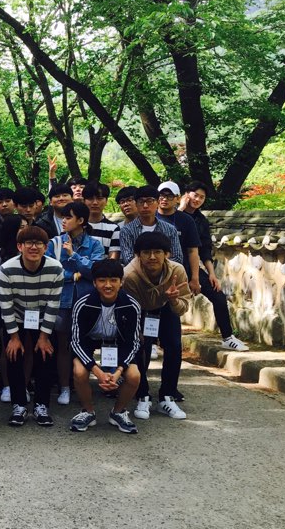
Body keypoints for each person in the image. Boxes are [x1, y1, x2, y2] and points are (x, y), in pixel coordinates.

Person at [0, 225, 64, 428]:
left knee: (45, 355)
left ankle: (41, 405)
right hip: (16, 316)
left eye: (39, 243)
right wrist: (14, 337)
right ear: (20, 246)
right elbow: (6, 305)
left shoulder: (56, 269)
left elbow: (53, 305)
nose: (34, 247)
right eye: (29, 243)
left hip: (42, 316)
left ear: (46, 247)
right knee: (13, 355)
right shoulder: (7, 269)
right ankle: (18, 405)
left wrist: (44, 337)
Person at [123, 232, 193, 420]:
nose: (152, 257)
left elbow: (183, 307)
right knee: (140, 348)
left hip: (167, 307)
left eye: (158, 252)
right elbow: (130, 308)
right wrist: (137, 330)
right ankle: (142, 395)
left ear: (167, 254)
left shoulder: (177, 271)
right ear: (138, 255)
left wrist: (174, 300)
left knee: (174, 346)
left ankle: (167, 395)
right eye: (146, 252)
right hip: (140, 311)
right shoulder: (129, 276)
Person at [69, 260, 142, 434]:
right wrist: (98, 372)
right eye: (102, 280)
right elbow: (76, 341)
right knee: (79, 371)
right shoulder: (82, 303)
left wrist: (118, 372)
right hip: (90, 340)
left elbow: (133, 342)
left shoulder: (132, 305)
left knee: (134, 375)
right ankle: (88, 411)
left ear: (121, 282)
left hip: (119, 342)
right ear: (94, 283)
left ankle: (118, 412)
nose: (108, 285)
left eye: (113, 280)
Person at [45, 202, 105, 406]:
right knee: (63, 344)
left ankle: (81, 385)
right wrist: (74, 275)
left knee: (85, 344)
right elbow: (51, 270)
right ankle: (64, 387)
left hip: (87, 301)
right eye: (62, 217)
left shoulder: (94, 244)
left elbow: (96, 271)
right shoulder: (54, 243)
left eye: (68, 217)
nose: (64, 221)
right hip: (62, 301)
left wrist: (74, 255)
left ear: (81, 220)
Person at [180, 180, 248, 350]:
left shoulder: (201, 221)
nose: (197, 199)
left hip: (191, 268)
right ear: (186, 194)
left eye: (202, 197)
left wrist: (211, 274)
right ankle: (151, 342)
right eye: (195, 195)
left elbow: (205, 250)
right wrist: (180, 209)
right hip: (168, 267)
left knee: (218, 296)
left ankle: (227, 337)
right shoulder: (172, 214)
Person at [0, 215, 24, 397]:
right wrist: (14, 294)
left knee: (27, 345)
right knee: (4, 346)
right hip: (4, 306)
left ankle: (24, 385)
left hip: (29, 307)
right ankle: (7, 384)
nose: (25, 230)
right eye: (21, 227)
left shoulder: (30, 251)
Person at [118, 185, 184, 266]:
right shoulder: (127, 231)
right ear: (136, 204)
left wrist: (157, 268)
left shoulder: (170, 229)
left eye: (150, 201)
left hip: (167, 272)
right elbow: (128, 259)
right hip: (136, 272)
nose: (145, 206)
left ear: (158, 202)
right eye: (141, 202)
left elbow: (177, 258)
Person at [156, 180, 202, 293]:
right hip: (153, 273)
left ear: (178, 198)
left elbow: (192, 251)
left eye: (170, 196)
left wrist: (195, 278)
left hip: (179, 272)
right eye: (161, 195)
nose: (164, 199)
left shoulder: (186, 220)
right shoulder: (150, 217)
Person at [82, 182, 121, 260]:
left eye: (99, 198)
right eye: (90, 199)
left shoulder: (114, 228)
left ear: (106, 201)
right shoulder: (76, 225)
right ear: (84, 201)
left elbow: (113, 259)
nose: (95, 202)